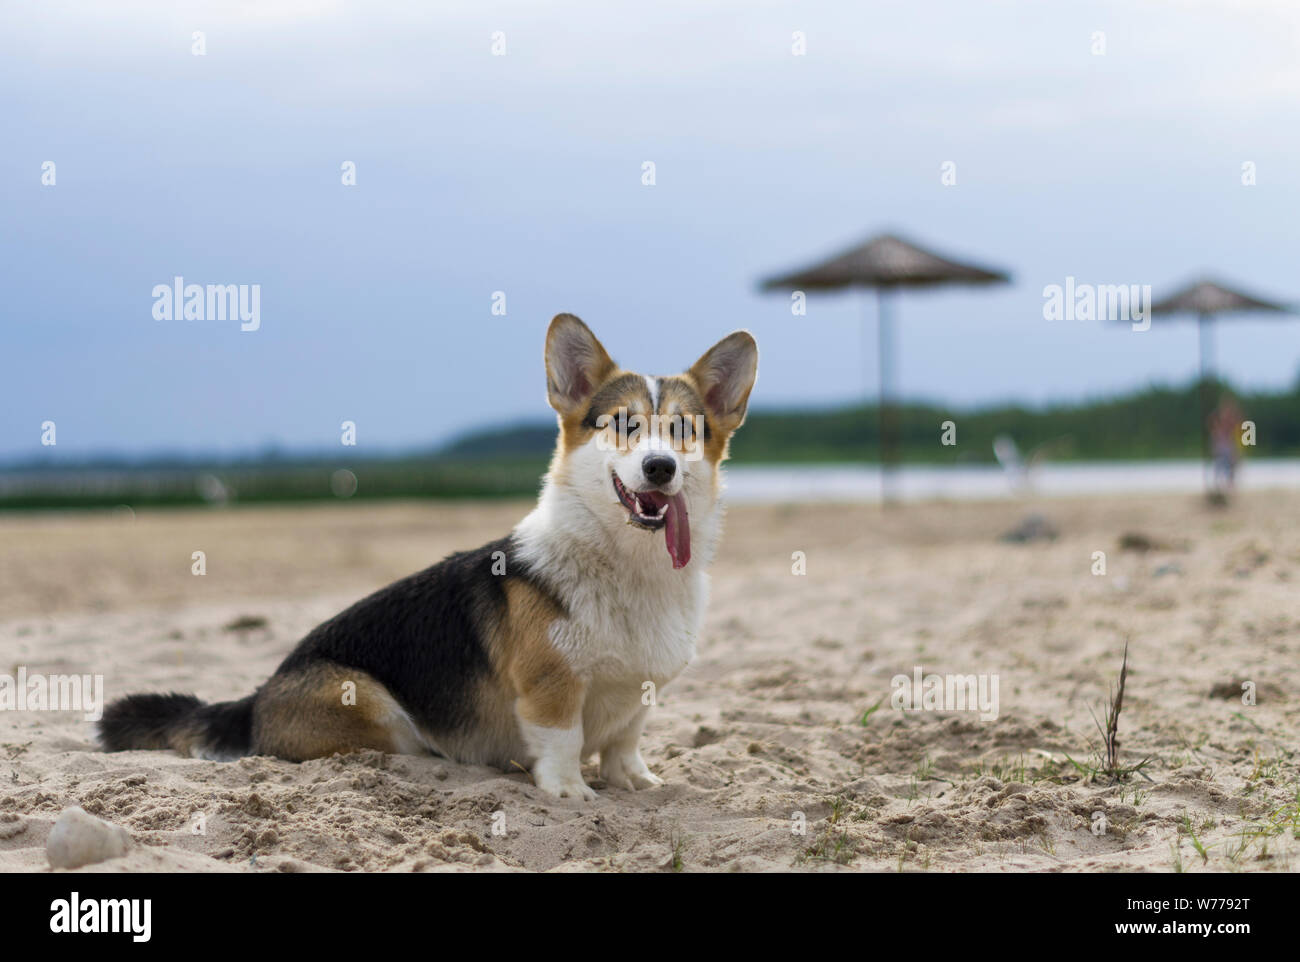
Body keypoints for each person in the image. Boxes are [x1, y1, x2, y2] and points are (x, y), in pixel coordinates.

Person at [1207, 396, 1244, 497]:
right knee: (1220, 467)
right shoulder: (1219, 420)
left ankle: (1227, 488)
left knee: (1230, 468)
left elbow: (1236, 430)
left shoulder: (1229, 420)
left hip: (1227, 446)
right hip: (1222, 446)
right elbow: (1215, 433)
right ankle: (1220, 488)